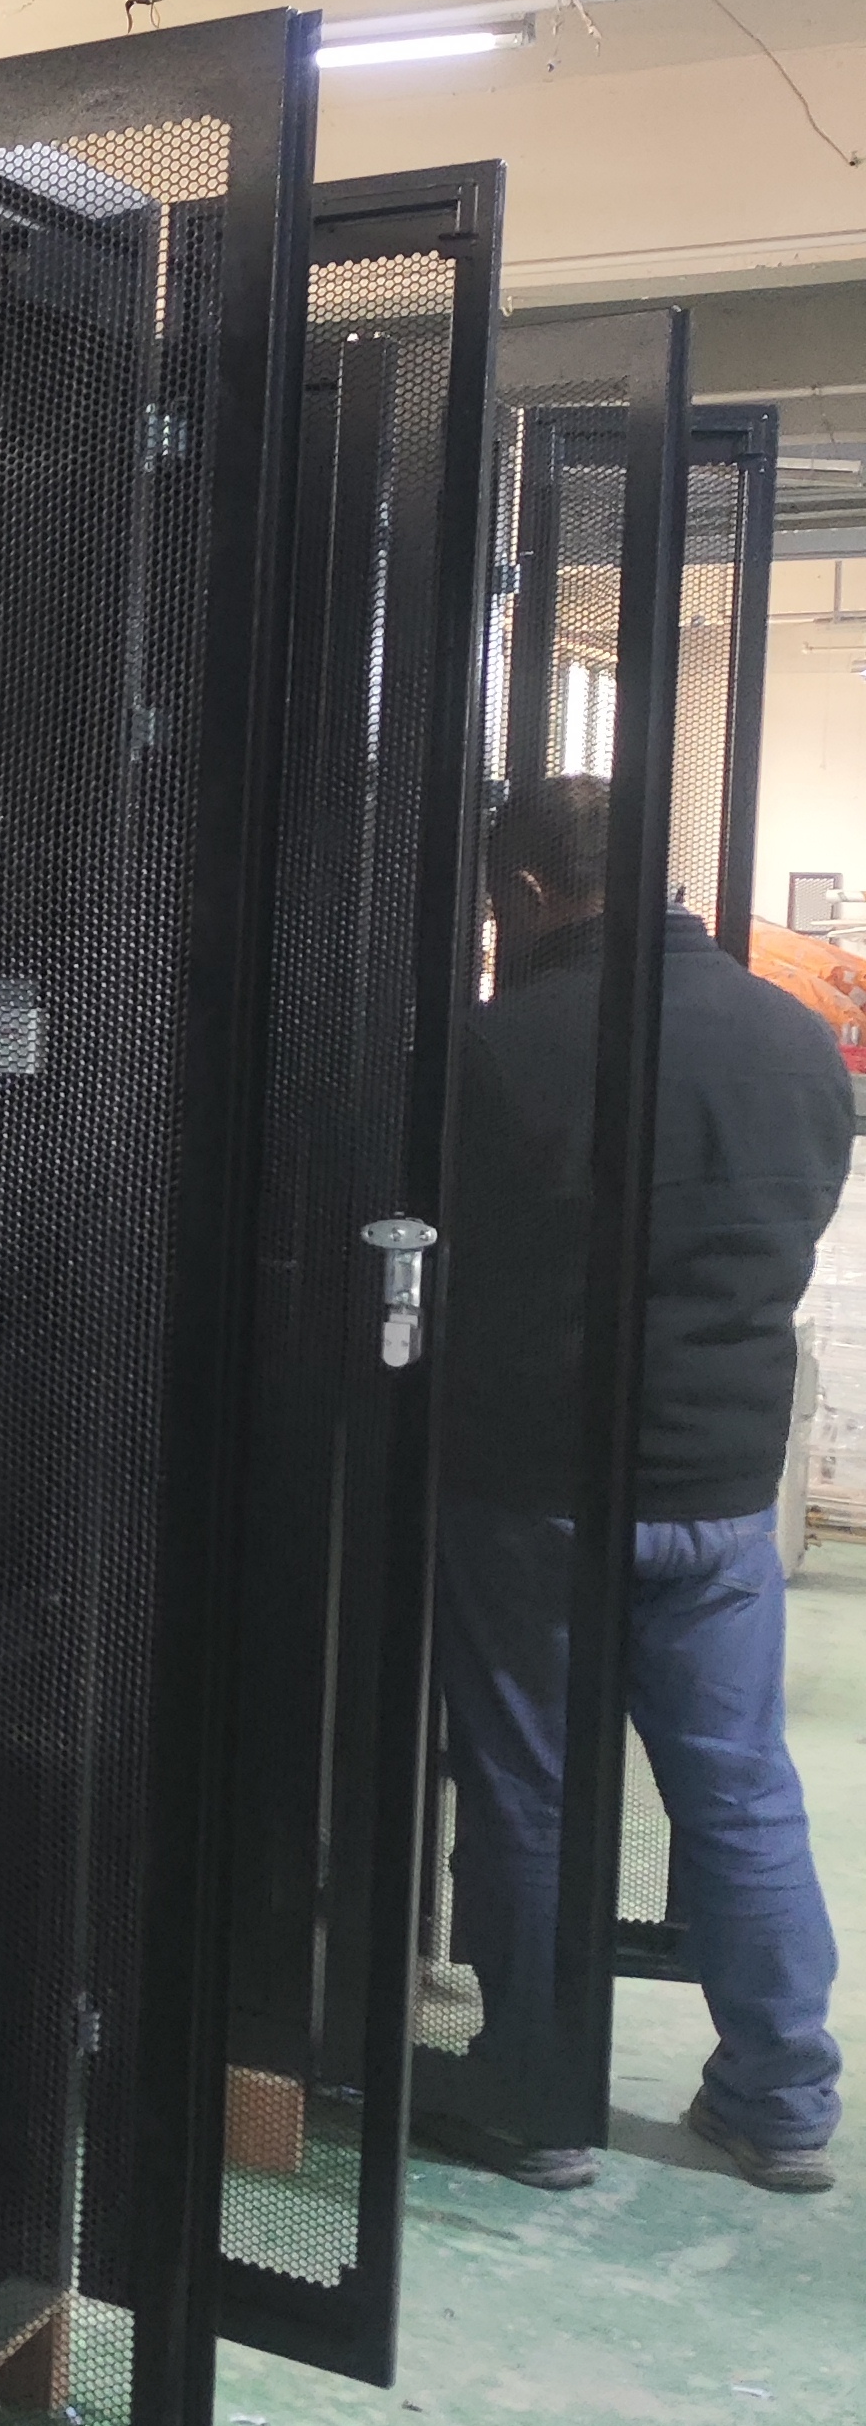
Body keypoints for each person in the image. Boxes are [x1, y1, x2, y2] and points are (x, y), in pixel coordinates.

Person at [430, 775, 852, 2189]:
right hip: (724, 1490)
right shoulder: (796, 1041)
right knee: (738, 1789)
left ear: (529, 891)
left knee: (532, 1791)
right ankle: (780, 2099)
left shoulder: (498, 1049)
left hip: (535, 1484)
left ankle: (541, 2098)